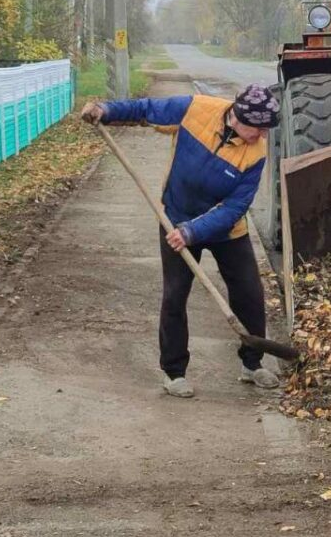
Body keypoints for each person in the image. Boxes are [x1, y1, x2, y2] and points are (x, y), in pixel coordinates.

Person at [80, 85, 281, 399]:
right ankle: (174, 372)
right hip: (174, 219)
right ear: (238, 118)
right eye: (259, 129)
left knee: (249, 293)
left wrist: (194, 231)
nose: (263, 136)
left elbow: (234, 207)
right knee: (175, 294)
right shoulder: (196, 109)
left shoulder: (255, 153)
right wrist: (106, 110)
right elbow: (146, 109)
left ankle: (252, 364)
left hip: (225, 229)